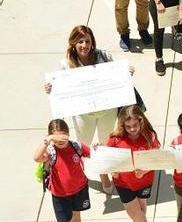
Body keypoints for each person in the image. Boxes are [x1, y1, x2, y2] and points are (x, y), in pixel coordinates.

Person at [42, 25, 133, 194]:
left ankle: (104, 174)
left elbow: (118, 76)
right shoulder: (66, 64)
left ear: (93, 42)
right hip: (83, 115)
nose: (84, 45)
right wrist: (50, 89)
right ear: (73, 44)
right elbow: (58, 88)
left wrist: (126, 73)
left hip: (107, 111)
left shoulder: (104, 56)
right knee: (84, 146)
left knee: (106, 145)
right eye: (80, 41)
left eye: (88, 41)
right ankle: (97, 172)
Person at [105, 106, 161, 222]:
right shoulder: (115, 139)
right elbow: (107, 159)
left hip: (145, 180)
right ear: (122, 125)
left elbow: (158, 158)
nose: (132, 129)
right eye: (128, 126)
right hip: (123, 182)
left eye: (135, 125)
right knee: (132, 210)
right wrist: (113, 171)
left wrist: (146, 170)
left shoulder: (150, 136)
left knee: (141, 208)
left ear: (141, 121)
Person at [34, 119, 91, 222]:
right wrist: (49, 140)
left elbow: (92, 153)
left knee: (76, 218)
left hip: (79, 189)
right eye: (56, 138)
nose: (60, 141)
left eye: (63, 137)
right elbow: (36, 157)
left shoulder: (76, 146)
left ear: (68, 134)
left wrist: (96, 148)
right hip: (61, 194)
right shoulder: (51, 151)